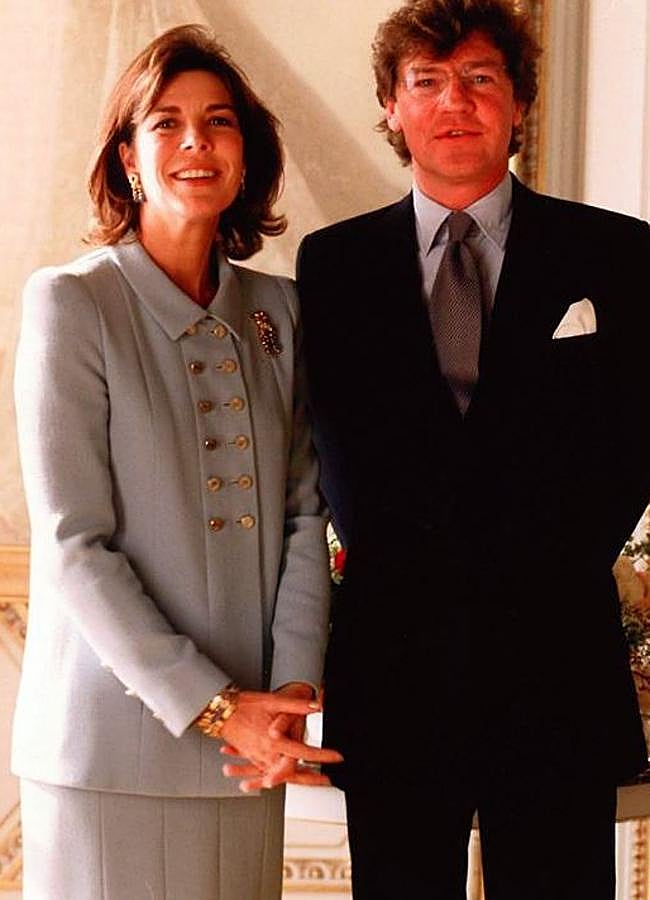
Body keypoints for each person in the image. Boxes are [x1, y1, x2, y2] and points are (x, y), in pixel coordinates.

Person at [297, 1, 650, 898]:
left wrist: (540, 559)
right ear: (391, 105)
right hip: (395, 671)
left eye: (480, 78)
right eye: (427, 81)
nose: (454, 101)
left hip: (557, 663)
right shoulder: (332, 266)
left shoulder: (618, 255)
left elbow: (635, 441)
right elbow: (335, 451)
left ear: (519, 103)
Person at [13, 23, 341, 900]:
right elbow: (75, 545)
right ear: (127, 155)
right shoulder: (71, 304)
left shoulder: (283, 311)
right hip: (110, 753)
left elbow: (309, 511)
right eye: (165, 122)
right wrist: (219, 708)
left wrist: (291, 690)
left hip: (250, 759)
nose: (196, 142)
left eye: (219, 121)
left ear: (247, 153)